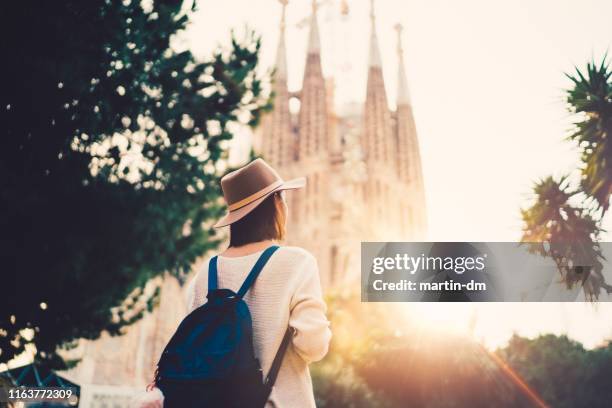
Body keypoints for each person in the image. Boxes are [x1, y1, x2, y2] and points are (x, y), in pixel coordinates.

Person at [189, 158, 332, 407]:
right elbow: (313, 346)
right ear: (276, 204)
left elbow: (193, 349)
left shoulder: (206, 272)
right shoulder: (297, 262)